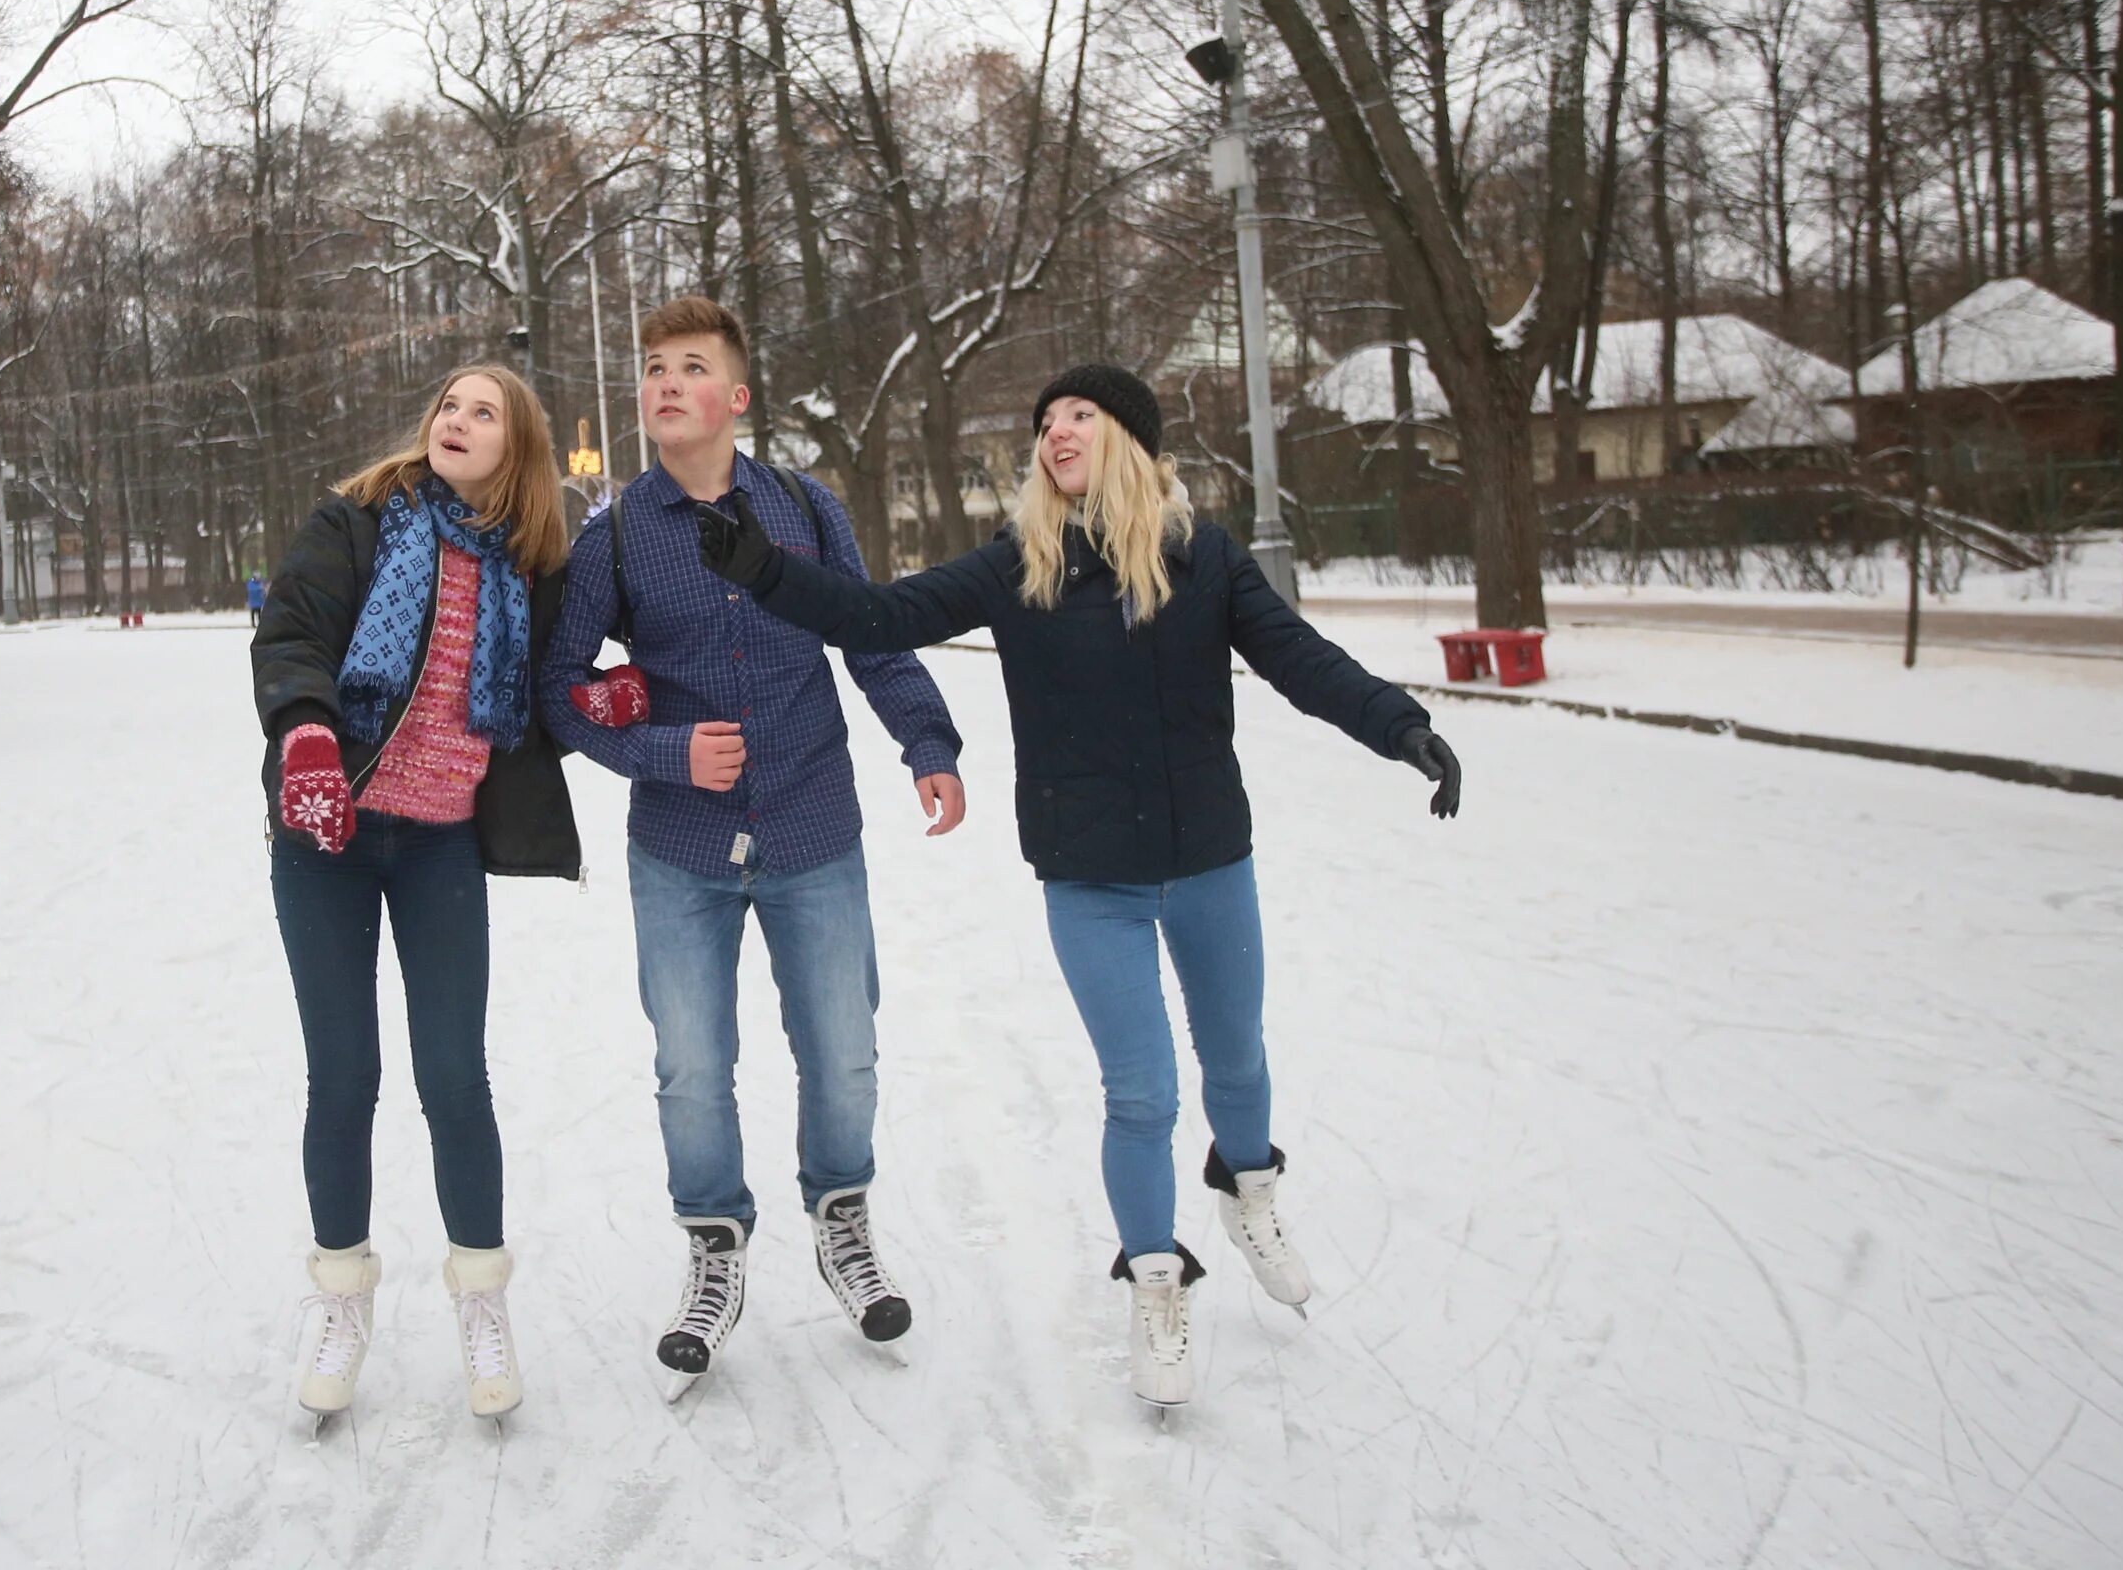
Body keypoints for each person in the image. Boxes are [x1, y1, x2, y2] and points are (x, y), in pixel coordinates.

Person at [689, 363, 1462, 1409]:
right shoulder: (1021, 566)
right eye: (1046, 419)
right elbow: (880, 615)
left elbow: (1304, 659)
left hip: (1207, 861)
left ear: (1129, 440)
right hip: (1090, 872)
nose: (1057, 432)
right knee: (1142, 1088)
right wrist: (767, 572)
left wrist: (1402, 726)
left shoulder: (1205, 560)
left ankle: (1250, 1186)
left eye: (1080, 416)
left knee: (1237, 1059)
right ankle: (1155, 1277)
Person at [538, 297, 966, 1383]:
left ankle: (842, 1219)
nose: (665, 381)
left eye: (691, 366)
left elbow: (872, 637)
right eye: (652, 367)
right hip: (680, 847)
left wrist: (928, 739)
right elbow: (557, 689)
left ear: (735, 397)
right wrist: (664, 752)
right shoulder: (617, 535)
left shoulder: (807, 510)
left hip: (814, 823)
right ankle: (714, 1245)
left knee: (845, 1051)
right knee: (692, 1068)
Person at [250, 362, 643, 1426]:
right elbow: (289, 637)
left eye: (485, 411)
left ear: (517, 449)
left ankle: (481, 1296)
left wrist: (598, 696)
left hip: (437, 848)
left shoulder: (529, 567)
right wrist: (308, 736)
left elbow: (544, 695)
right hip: (328, 825)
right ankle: (341, 1298)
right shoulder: (358, 521)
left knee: (454, 1078)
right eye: (448, 405)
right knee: (344, 1073)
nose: (456, 421)